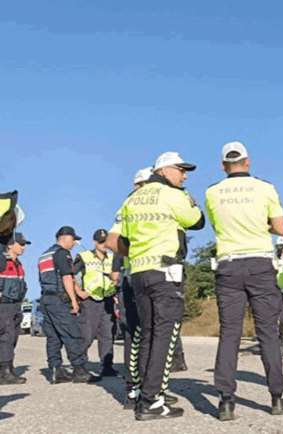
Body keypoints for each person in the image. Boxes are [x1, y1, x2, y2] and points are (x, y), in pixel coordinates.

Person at [107, 152, 204, 421]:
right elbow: (197, 221)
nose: (184, 176)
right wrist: (190, 200)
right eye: (181, 170)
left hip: (139, 272)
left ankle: (144, 395)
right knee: (165, 335)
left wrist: (138, 252)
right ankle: (152, 400)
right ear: (165, 169)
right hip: (165, 272)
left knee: (148, 333)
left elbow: (115, 241)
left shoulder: (131, 199)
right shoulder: (173, 194)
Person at [206, 141, 283, 421]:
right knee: (267, 330)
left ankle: (226, 400)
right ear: (248, 161)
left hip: (228, 265)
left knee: (229, 333)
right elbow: (279, 227)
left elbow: (218, 225)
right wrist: (262, 222)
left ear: (222, 166)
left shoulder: (211, 192)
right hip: (259, 264)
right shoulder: (264, 188)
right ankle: (278, 396)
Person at [39, 226, 100, 384]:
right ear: (65, 237)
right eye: (73, 240)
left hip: (46, 300)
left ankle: (55, 371)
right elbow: (67, 278)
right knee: (72, 333)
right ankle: (79, 370)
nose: (74, 244)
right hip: (60, 300)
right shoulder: (62, 253)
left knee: (53, 337)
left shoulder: (45, 255)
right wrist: (74, 300)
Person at [74, 229, 118, 377]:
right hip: (90, 301)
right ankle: (80, 366)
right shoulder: (84, 256)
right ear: (94, 242)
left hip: (108, 300)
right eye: (100, 242)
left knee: (107, 334)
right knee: (87, 334)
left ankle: (107, 366)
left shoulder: (112, 258)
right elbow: (72, 276)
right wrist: (79, 292)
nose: (103, 245)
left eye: (106, 242)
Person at [0, 233, 30, 385]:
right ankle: (5, 373)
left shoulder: (18, 263)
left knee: (12, 338)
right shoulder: (2, 261)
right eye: (21, 244)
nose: (24, 247)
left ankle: (7, 368)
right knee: (6, 337)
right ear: (10, 244)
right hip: (4, 305)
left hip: (15, 304)